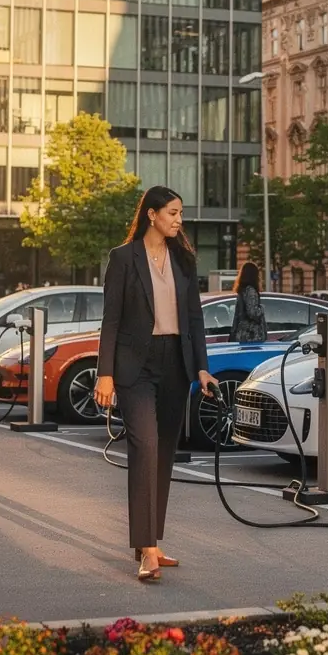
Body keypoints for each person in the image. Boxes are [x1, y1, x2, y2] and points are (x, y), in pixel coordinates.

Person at [94, 186, 219, 583]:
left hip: (175, 365)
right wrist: (105, 372)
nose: (179, 219)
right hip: (135, 368)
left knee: (163, 454)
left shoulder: (183, 260)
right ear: (151, 215)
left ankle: (151, 540)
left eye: (180, 213)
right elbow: (110, 318)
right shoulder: (123, 258)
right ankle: (146, 549)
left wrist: (201, 368)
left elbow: (195, 319)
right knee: (145, 450)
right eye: (173, 212)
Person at [229, 262, 267, 343]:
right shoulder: (250, 291)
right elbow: (253, 312)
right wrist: (262, 309)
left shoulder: (242, 291)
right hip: (251, 336)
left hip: (243, 334)